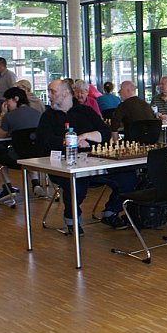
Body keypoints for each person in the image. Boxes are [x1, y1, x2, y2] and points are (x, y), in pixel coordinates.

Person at [36, 79, 136, 232]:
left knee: (128, 178)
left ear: (66, 93)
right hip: (63, 166)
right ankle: (71, 219)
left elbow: (105, 131)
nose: (49, 95)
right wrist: (70, 141)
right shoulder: (48, 116)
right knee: (76, 183)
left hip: (93, 163)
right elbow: (44, 140)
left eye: (53, 92)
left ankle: (111, 211)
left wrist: (86, 136)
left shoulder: (85, 111)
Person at [0, 87, 45, 201]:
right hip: (40, 156)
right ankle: (36, 183)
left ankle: (7, 188)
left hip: (18, 157)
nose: (6, 104)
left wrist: (3, 114)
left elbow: (0, 134)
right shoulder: (38, 113)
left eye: (7, 100)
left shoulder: (9, 116)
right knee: (29, 151)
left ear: (16, 99)